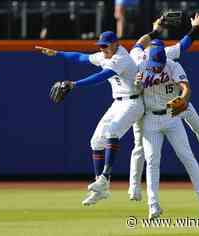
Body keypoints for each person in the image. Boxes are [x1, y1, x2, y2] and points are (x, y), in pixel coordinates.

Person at [35, 31, 144, 205]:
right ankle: (101, 189)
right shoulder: (104, 54)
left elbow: (102, 76)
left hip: (133, 103)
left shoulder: (121, 58)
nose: (102, 49)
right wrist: (57, 53)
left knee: (113, 131)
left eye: (105, 45)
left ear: (116, 44)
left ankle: (105, 176)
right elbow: (81, 58)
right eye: (100, 46)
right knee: (96, 142)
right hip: (118, 103)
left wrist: (74, 84)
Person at [128, 13, 199, 202]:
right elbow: (139, 43)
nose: (157, 67)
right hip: (141, 105)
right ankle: (134, 188)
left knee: (184, 105)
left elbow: (184, 44)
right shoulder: (138, 57)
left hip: (165, 108)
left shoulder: (166, 55)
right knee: (140, 149)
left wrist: (195, 28)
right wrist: (155, 31)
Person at [130, 42, 199, 219]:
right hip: (150, 118)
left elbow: (186, 89)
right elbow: (133, 90)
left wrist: (182, 100)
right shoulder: (140, 64)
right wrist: (135, 85)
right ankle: (153, 205)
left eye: (160, 64)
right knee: (152, 160)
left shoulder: (173, 66)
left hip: (171, 114)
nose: (157, 68)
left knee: (187, 156)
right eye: (155, 64)